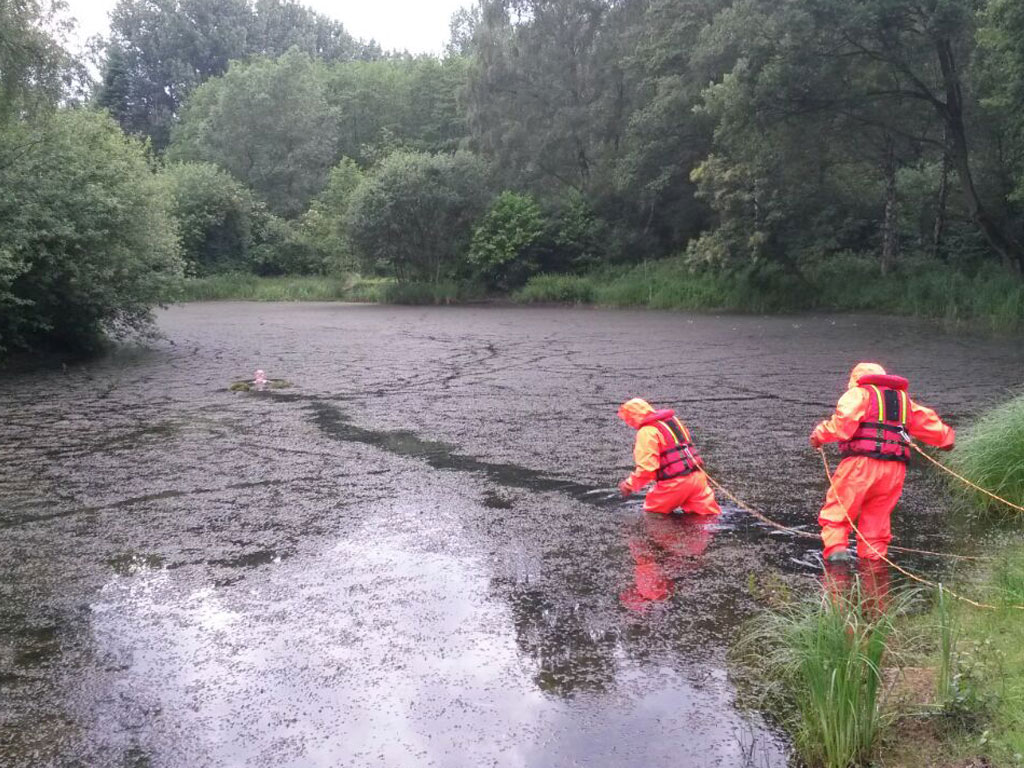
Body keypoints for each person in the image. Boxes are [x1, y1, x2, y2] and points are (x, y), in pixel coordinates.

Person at [809, 362, 955, 563]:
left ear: (855, 380)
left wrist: (819, 435)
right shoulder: (904, 400)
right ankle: (874, 572)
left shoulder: (859, 394)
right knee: (877, 523)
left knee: (838, 512)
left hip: (861, 465)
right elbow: (929, 423)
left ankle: (837, 563)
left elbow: (843, 425)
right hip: (894, 469)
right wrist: (946, 439)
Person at [617, 398, 721, 515]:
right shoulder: (674, 421)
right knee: (707, 517)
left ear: (632, 417)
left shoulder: (647, 432)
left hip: (674, 484)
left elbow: (647, 468)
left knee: (652, 515)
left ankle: (666, 534)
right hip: (697, 478)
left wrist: (629, 485)